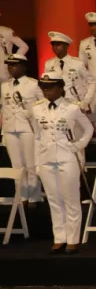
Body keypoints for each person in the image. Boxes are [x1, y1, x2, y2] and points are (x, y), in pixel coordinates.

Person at [30, 73, 92, 254]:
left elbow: (88, 128)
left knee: (70, 198)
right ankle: (59, 237)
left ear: (60, 87)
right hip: (46, 158)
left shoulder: (72, 107)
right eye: (43, 87)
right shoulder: (37, 108)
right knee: (54, 199)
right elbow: (37, 136)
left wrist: (79, 145)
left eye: (50, 87)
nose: (46, 90)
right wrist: (37, 163)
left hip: (67, 157)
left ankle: (72, 239)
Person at [1, 54, 43, 202]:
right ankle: (22, 195)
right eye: (9, 65)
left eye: (15, 65)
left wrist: (31, 113)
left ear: (24, 67)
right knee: (16, 165)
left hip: (28, 127)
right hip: (10, 128)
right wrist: (3, 132)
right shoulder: (4, 86)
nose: (11, 68)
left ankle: (34, 196)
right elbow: (4, 108)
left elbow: (43, 105)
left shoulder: (33, 84)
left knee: (30, 164)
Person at [42, 31, 93, 110]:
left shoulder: (77, 63)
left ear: (66, 46)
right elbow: (47, 84)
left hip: (76, 102)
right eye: (53, 45)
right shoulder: (49, 64)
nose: (55, 47)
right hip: (58, 103)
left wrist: (86, 101)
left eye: (58, 44)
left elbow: (92, 82)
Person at [0, 12, 29, 83]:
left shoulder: (7, 31)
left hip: (3, 70)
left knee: (6, 89)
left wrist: (13, 58)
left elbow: (24, 46)